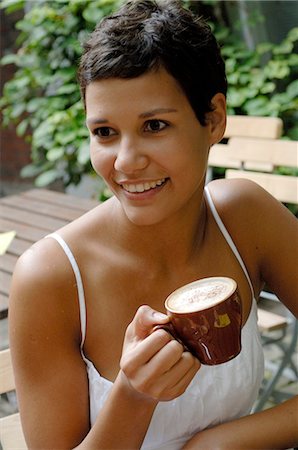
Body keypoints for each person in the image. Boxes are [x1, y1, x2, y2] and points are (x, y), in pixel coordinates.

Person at [9, 1, 298, 449]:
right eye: (104, 132)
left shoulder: (244, 219)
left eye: (155, 125)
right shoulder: (51, 278)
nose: (126, 161)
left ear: (214, 119)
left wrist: (221, 444)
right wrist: (133, 396)